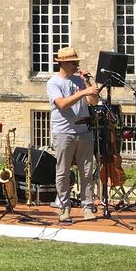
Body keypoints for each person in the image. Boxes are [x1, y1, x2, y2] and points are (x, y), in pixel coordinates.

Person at [46, 45, 100, 223]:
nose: (76, 65)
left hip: (84, 131)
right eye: (72, 62)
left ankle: (88, 207)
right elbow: (62, 104)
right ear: (62, 63)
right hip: (64, 133)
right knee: (63, 172)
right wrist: (83, 92)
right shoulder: (54, 83)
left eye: (76, 62)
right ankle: (64, 208)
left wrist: (87, 84)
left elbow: (93, 101)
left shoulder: (79, 81)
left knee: (87, 172)